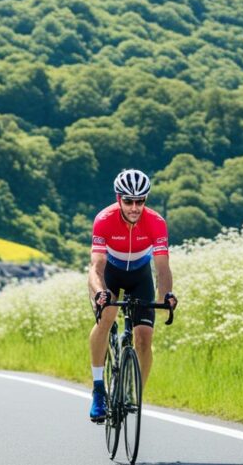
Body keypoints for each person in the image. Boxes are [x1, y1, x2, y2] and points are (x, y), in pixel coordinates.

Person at [88, 169, 178, 423]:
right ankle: (98, 390)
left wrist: (167, 294)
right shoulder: (104, 220)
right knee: (106, 318)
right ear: (119, 199)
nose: (135, 207)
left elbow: (162, 267)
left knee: (144, 337)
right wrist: (100, 293)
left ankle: (135, 394)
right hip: (111, 274)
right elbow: (96, 266)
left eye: (140, 201)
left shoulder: (157, 223)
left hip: (140, 275)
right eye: (129, 201)